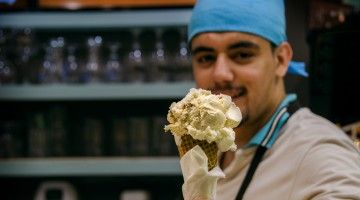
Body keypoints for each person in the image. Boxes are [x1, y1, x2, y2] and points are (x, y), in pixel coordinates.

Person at [179, 0, 360, 199]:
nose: (221, 74)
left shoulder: (317, 151)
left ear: (281, 59)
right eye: (206, 58)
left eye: (242, 54)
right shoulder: (211, 148)